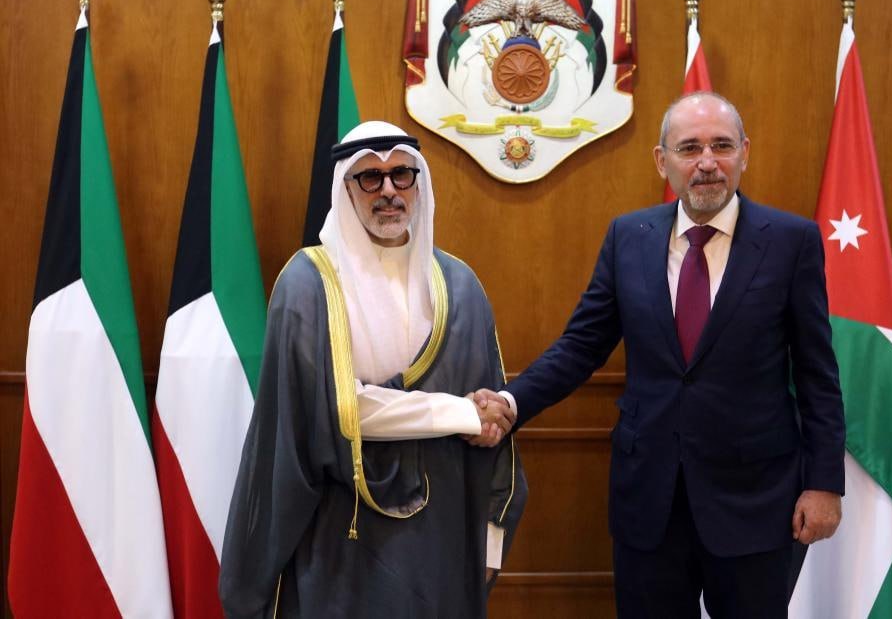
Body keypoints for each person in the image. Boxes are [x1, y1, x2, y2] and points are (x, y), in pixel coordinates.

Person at [474, 92, 845, 617]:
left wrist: (824, 484)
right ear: (661, 160)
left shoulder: (790, 241)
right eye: (689, 148)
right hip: (649, 500)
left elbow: (816, 375)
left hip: (754, 501)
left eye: (721, 146)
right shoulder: (629, 237)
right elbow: (581, 346)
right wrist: (512, 403)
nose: (707, 162)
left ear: (744, 153)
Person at [220, 120, 525, 618]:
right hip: (342, 535)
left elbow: (493, 425)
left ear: (418, 183)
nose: (388, 191)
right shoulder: (308, 285)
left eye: (402, 174)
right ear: (346, 189)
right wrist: (461, 414)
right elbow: (337, 409)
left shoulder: (460, 285)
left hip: (441, 537)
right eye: (370, 178)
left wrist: (489, 543)